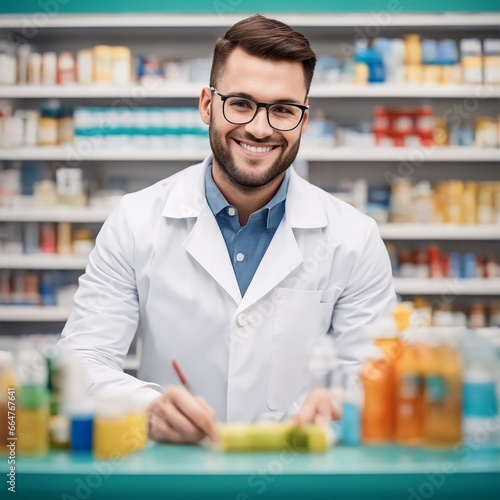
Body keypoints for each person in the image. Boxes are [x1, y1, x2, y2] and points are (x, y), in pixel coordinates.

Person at [59, 14, 395, 444]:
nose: (260, 128)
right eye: (241, 103)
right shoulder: (135, 222)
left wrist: (344, 402)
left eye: (284, 110)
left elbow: (375, 372)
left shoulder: (354, 238)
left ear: (304, 120)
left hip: (300, 475)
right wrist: (146, 408)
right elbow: (81, 358)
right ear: (207, 105)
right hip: (176, 472)